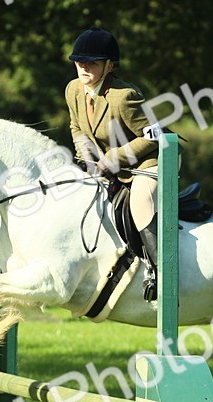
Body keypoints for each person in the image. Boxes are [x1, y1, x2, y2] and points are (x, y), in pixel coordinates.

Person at [65, 27, 163, 301]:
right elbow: (76, 127)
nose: (84, 68)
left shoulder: (124, 96)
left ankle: (161, 272)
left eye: (92, 63)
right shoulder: (73, 89)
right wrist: (87, 158)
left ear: (109, 65)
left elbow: (155, 136)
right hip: (107, 166)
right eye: (79, 62)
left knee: (141, 204)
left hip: (148, 162)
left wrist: (112, 158)